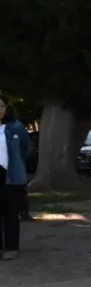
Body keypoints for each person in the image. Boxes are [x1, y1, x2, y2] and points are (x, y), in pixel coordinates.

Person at [0, 96, 30, 260]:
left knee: (10, 212)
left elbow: (25, 149)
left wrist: (17, 165)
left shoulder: (15, 127)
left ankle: (11, 247)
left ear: (5, 109)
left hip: (8, 174)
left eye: (1, 106)